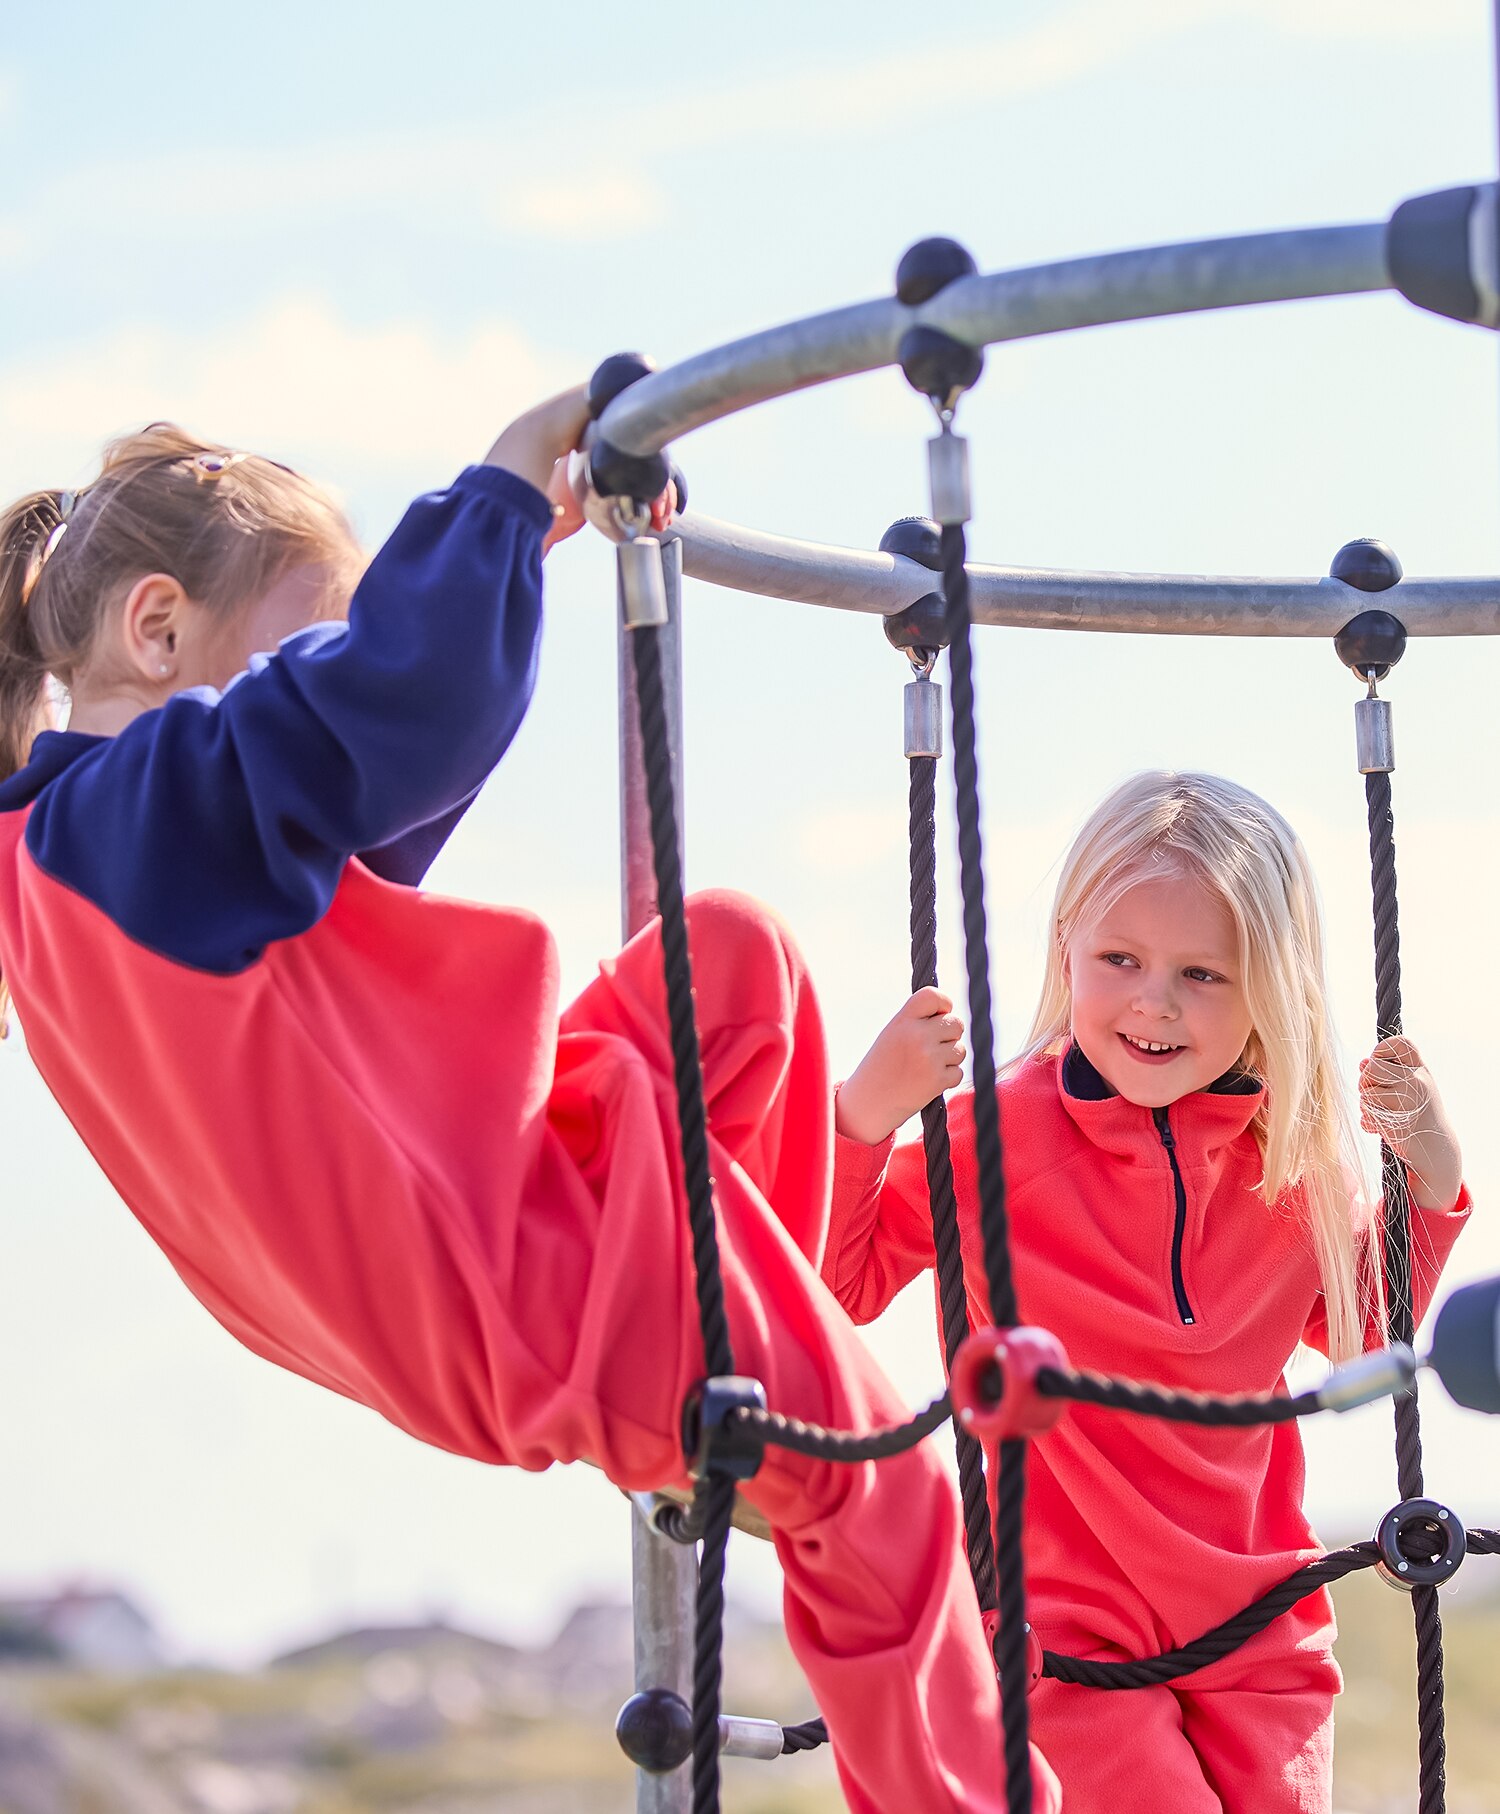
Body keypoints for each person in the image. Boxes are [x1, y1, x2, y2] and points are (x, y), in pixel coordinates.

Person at [0, 394, 1058, 1814]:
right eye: (299, 650)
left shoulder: (70, 859)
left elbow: (374, 768)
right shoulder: (156, 809)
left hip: (479, 1216)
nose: (318, 681)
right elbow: (402, 708)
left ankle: (746, 1374)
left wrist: (514, 560)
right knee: (891, 1490)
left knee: (732, 959)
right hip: (520, 1289)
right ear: (157, 630)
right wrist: (496, 490)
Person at [825, 770, 1471, 1814]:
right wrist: (861, 1115)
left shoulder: (1292, 1159)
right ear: (1066, 947)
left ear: (1271, 984)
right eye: (1119, 958)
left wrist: (1431, 1175)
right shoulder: (994, 1137)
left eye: (1203, 973)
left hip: (1261, 1626)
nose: (1153, 1000)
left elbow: (1365, 1341)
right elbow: (839, 1279)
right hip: (1062, 1637)